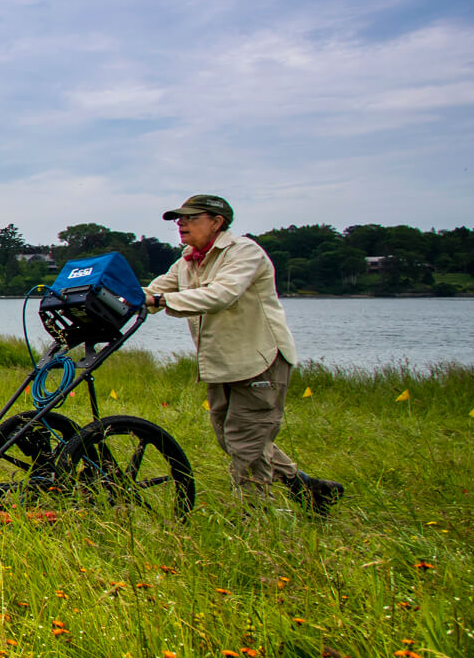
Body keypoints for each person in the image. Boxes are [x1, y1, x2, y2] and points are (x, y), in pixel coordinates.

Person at [142, 194, 344, 514]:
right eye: (179, 219)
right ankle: (307, 489)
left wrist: (161, 302)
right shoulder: (186, 261)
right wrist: (115, 297)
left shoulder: (244, 252)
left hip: (258, 361)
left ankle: (257, 519)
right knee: (230, 438)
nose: (181, 224)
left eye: (190, 218)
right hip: (222, 364)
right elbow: (153, 291)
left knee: (246, 443)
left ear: (216, 222)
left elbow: (221, 295)